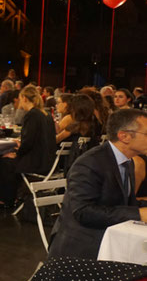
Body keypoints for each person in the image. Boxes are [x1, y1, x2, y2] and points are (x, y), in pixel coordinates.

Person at [48, 109, 147, 259]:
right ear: (124, 136)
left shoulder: (128, 161)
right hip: (80, 248)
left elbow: (121, 203)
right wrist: (139, 213)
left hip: (109, 237)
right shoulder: (90, 163)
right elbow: (84, 212)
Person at [0, 86, 57, 210]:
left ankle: (6, 199)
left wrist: (17, 153)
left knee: (0, 160)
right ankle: (11, 196)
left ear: (25, 99)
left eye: (20, 99)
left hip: (35, 163)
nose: (19, 102)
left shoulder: (31, 115)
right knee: (5, 159)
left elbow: (27, 143)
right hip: (47, 160)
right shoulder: (46, 114)